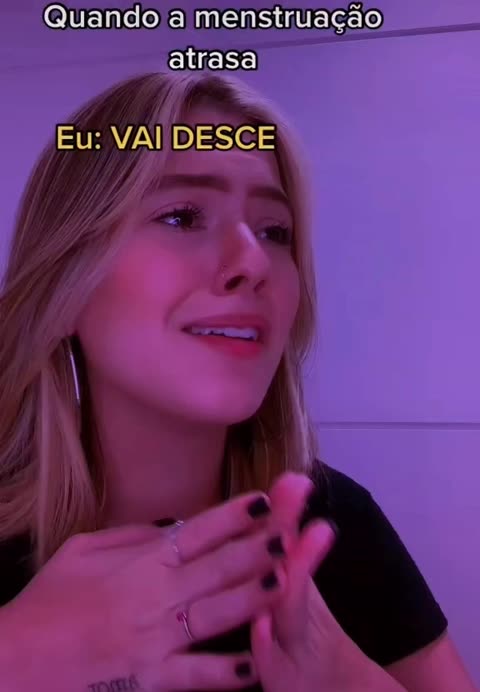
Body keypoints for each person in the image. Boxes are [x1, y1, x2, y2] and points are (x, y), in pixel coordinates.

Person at [0, 71, 476, 692]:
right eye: (182, 216)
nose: (254, 262)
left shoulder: (336, 523)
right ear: (65, 284)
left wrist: (348, 679)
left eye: (275, 232)